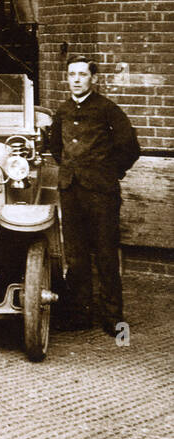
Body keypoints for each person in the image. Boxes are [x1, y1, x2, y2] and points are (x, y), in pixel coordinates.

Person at [47, 55, 140, 335]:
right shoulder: (62, 111)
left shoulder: (108, 110)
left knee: (105, 254)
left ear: (94, 79)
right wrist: (69, 172)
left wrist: (109, 172)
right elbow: (55, 147)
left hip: (101, 194)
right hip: (71, 191)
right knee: (75, 256)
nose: (76, 79)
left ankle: (113, 319)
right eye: (72, 74)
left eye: (82, 75)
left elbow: (130, 147)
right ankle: (80, 315)